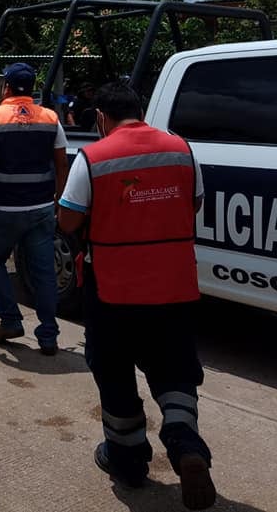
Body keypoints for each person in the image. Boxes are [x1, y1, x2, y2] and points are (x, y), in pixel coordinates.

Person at [56, 82, 215, 511]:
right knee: (176, 371)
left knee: (115, 374)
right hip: (176, 290)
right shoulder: (181, 149)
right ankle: (185, 444)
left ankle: (127, 461)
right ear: (139, 110)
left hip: (114, 294)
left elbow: (68, 220)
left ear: (102, 118)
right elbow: (193, 203)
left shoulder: (93, 156)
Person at [0, 62, 69, 354]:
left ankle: (10, 320)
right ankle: (48, 336)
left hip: (5, 210)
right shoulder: (50, 118)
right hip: (41, 208)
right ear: (32, 87)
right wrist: (59, 201)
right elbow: (62, 164)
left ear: (6, 88)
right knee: (44, 272)